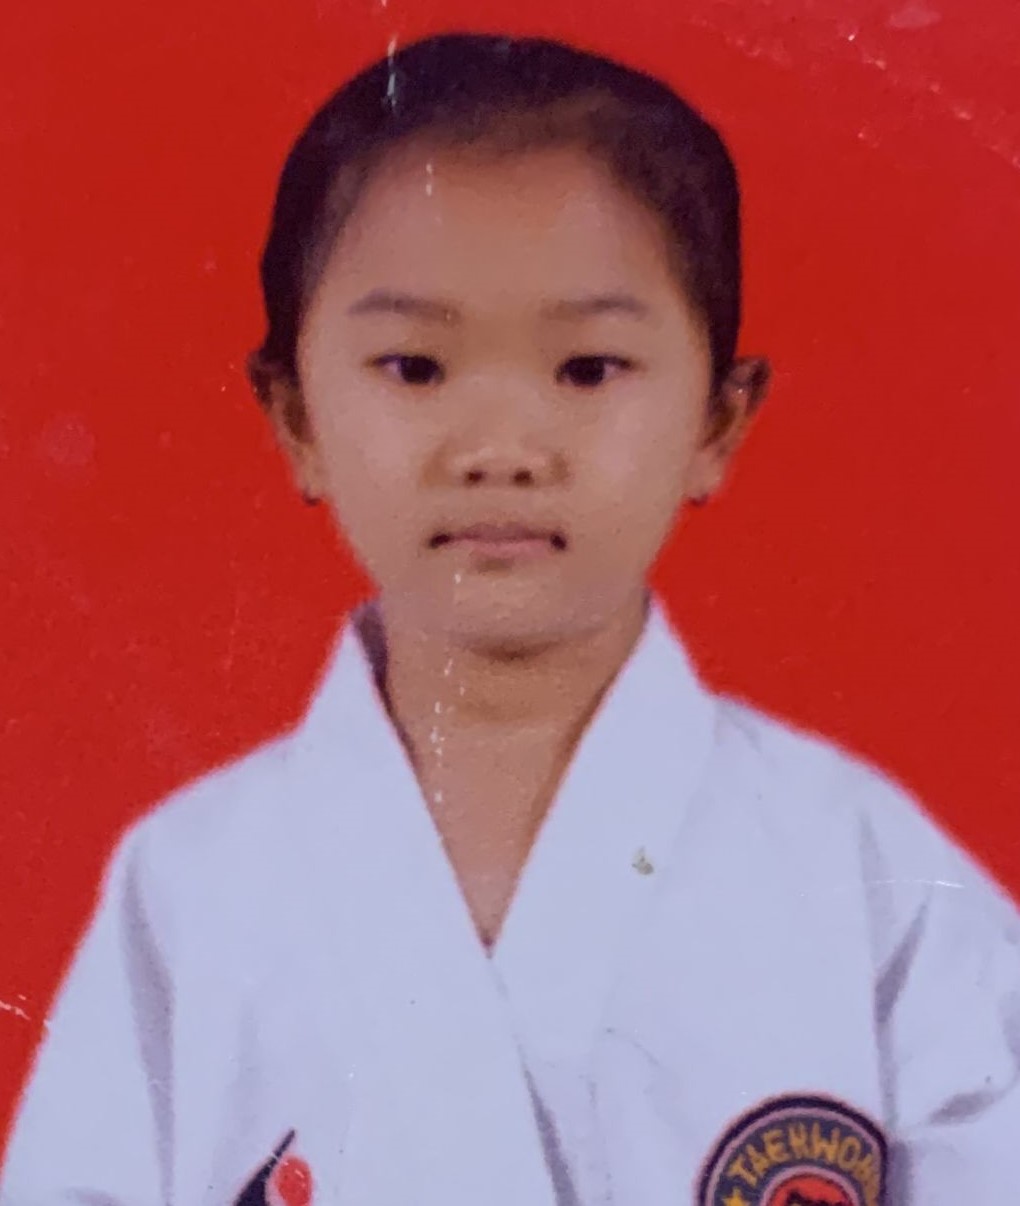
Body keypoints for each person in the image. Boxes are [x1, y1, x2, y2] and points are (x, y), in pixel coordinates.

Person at [2, 31, 1017, 1206]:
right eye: (415, 368)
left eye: (587, 370)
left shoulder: (868, 876)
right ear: (295, 419)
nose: (499, 449)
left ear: (718, 422)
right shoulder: (188, 890)